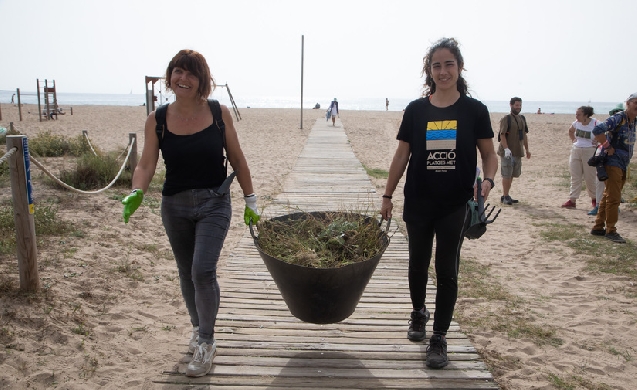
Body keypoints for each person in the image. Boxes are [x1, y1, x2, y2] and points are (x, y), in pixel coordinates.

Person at [121, 49, 260, 377]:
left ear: (202, 81)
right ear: (170, 77)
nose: (183, 78)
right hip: (175, 206)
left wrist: (251, 200)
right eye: (177, 72)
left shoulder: (217, 113)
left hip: (215, 202)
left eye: (191, 73)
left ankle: (207, 342)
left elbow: (237, 159)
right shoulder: (157, 119)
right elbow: (145, 164)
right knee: (186, 272)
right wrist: (136, 191)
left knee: (202, 270)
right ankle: (199, 330)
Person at [380, 37, 498, 369]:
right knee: (417, 263)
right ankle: (418, 312)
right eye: (436, 65)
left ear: (459, 68)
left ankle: (439, 337)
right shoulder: (416, 110)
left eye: (449, 64)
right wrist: (387, 194)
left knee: (447, 270)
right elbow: (402, 155)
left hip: (454, 205)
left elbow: (489, 154)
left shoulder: (475, 110)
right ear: (428, 71)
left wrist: (488, 181)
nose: (443, 71)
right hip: (418, 202)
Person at [590, 92, 637, 243]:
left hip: (623, 163)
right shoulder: (619, 118)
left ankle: (598, 227)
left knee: (608, 195)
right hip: (612, 162)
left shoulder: (633, 121)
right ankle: (611, 230)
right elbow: (597, 130)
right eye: (636, 102)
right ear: (628, 103)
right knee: (614, 198)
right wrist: (607, 146)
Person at [561, 106, 599, 210]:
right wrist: (573, 140)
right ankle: (572, 200)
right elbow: (570, 131)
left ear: (586, 115)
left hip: (589, 151)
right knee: (575, 176)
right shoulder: (576, 123)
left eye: (579, 114)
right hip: (576, 150)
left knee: (589, 177)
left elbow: (604, 133)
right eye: (576, 114)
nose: (576, 116)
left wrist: (597, 140)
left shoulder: (596, 123)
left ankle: (594, 199)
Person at [498, 97, 531, 205]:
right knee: (506, 174)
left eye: (520, 105)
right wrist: (506, 149)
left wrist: (527, 149)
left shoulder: (522, 118)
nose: (518, 107)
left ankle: (506, 195)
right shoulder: (506, 119)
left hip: (518, 151)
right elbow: (502, 134)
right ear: (511, 105)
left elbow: (524, 135)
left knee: (512, 174)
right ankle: (506, 196)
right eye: (516, 105)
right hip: (507, 152)